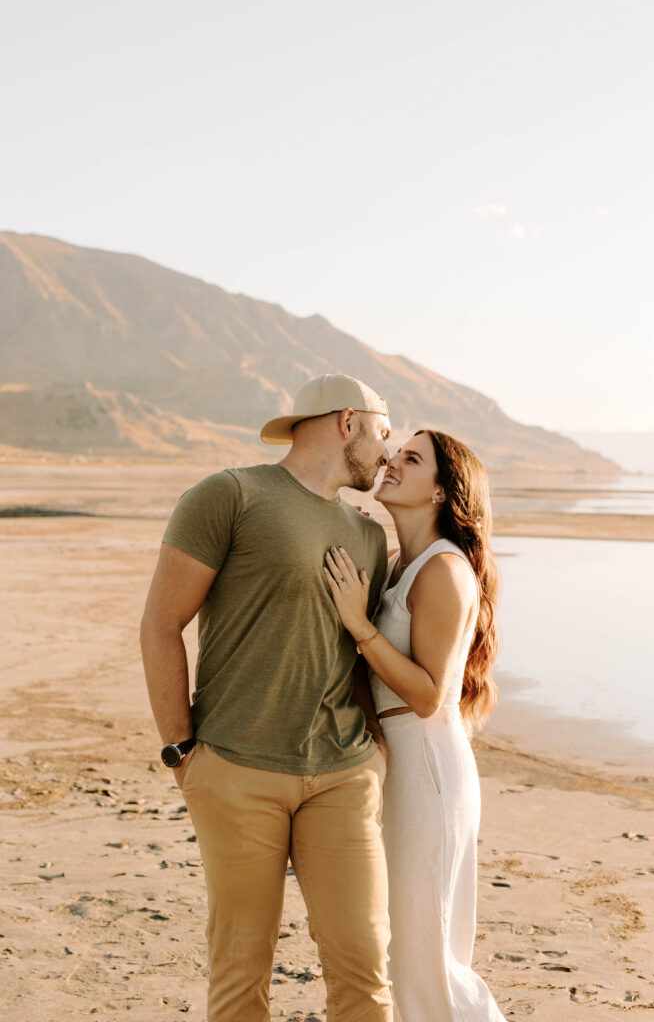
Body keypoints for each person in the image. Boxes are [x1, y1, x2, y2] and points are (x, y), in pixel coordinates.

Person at [140, 373, 395, 1022]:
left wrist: (375, 756)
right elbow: (160, 625)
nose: (387, 453)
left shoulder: (368, 536)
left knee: (363, 966)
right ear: (348, 423)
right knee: (241, 970)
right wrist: (180, 748)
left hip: (341, 776)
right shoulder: (230, 496)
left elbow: (359, 658)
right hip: (236, 770)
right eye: (383, 433)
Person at [324, 428, 506, 1022]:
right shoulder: (403, 564)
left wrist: (360, 626)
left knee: (427, 960)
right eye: (396, 453)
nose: (392, 462)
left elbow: (428, 696)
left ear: (440, 492)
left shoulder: (444, 571)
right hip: (399, 766)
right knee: (408, 950)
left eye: (411, 458)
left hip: (428, 769)